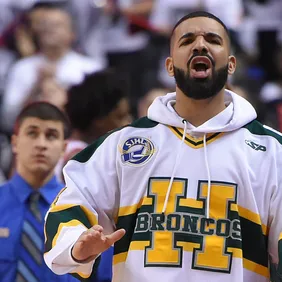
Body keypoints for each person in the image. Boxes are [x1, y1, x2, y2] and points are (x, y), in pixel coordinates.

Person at [44, 11, 282, 282]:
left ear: (231, 64)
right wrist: (76, 245)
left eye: (213, 39)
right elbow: (71, 204)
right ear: (169, 66)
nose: (200, 45)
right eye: (187, 39)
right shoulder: (122, 145)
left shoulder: (272, 152)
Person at [0, 102, 78, 281]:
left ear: (63, 148)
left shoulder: (81, 209)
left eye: (51, 136)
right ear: (14, 142)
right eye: (32, 133)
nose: (41, 144)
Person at [55, 69, 132, 182]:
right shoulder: (81, 159)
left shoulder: (75, 149)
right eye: (120, 117)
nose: (129, 122)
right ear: (99, 120)